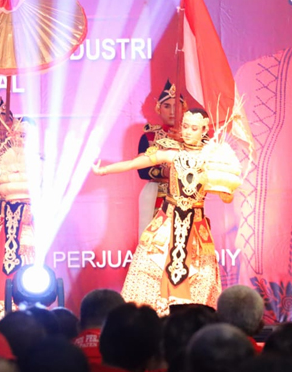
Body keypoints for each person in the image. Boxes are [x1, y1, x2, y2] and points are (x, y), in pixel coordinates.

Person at [93, 108, 234, 315]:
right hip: (167, 221)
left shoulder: (213, 158)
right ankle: (149, 319)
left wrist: (225, 188)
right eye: (185, 126)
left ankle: (194, 320)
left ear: (204, 130)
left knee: (201, 275)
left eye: (193, 128)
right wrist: (104, 170)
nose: (187, 132)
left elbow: (227, 194)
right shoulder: (171, 153)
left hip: (195, 225)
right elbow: (135, 163)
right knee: (148, 268)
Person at [0, 100, 42, 310]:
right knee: (0, 264)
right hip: (5, 221)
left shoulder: (41, 164)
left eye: (25, 136)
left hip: (28, 222)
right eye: (17, 134)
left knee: (28, 266)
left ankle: (28, 306)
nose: (19, 139)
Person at [136, 80, 186, 234]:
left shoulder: (192, 138)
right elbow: (142, 170)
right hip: (157, 194)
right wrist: (164, 173)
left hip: (186, 196)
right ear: (159, 109)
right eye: (167, 106)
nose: (172, 111)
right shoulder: (150, 136)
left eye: (176, 106)